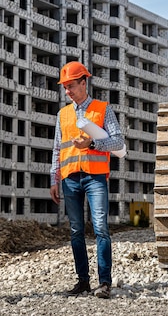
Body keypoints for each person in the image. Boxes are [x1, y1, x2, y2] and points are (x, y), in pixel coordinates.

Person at [49, 61, 124, 299]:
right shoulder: (63, 114)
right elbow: (57, 149)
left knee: (101, 228)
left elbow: (119, 143)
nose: (68, 91)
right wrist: (54, 177)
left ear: (84, 83)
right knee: (75, 231)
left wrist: (92, 143)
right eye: (65, 87)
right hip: (70, 179)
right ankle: (83, 281)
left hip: (95, 178)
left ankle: (104, 283)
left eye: (71, 86)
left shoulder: (103, 109)